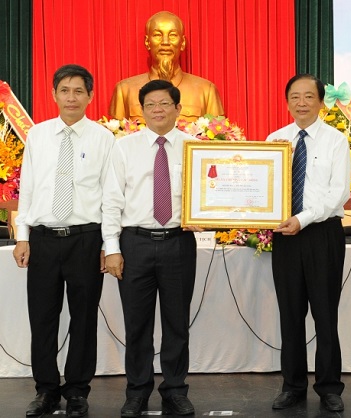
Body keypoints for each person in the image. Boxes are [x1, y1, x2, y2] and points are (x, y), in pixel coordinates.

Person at [12, 64, 115, 417]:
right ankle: (46, 390)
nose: (71, 97)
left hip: (86, 239)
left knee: (84, 317)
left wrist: (108, 243)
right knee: (42, 317)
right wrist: (22, 236)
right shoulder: (37, 135)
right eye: (64, 90)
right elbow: (27, 188)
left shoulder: (104, 138)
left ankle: (77, 390)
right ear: (54, 94)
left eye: (78, 91)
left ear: (90, 96)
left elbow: (110, 195)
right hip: (42, 239)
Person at [102, 79, 202, 417]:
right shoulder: (124, 147)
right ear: (141, 110)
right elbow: (111, 200)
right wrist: (112, 247)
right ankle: (137, 391)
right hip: (134, 244)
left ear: (178, 108)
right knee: (137, 324)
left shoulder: (195, 148)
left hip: (178, 243)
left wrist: (207, 213)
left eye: (164, 103)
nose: (157, 110)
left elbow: (208, 193)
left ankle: (175, 389)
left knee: (177, 322)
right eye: (150, 105)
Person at [266, 74, 351, 413]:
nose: (301, 102)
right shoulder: (275, 140)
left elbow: (338, 194)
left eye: (308, 96)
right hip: (285, 236)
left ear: (320, 101)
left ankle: (329, 387)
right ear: (287, 101)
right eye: (295, 97)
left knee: (325, 314)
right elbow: (265, 189)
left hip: (322, 234)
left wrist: (302, 218)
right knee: (290, 315)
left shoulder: (335, 141)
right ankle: (293, 386)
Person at [109, 11, 224, 124]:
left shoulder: (206, 91)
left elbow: (216, 138)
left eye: (173, 35)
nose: (165, 42)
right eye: (157, 35)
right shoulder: (124, 90)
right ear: (147, 42)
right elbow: (117, 137)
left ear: (182, 42)